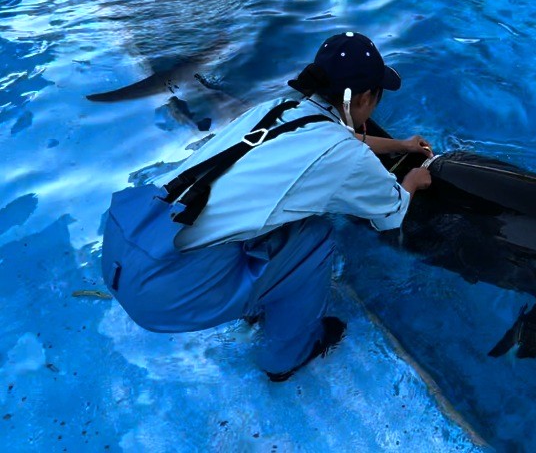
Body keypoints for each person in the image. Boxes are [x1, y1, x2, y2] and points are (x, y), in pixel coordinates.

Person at [100, 32, 433, 381]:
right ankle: (286, 357)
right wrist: (414, 180)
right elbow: (391, 214)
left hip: (129, 244)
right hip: (164, 292)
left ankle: (255, 294)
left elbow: (337, 136)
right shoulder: (347, 158)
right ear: (364, 98)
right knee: (315, 237)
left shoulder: (276, 109)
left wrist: (400, 145)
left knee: (279, 216)